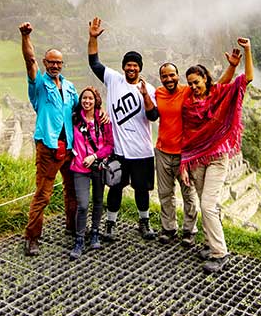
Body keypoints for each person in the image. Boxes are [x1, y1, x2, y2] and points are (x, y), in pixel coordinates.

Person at [155, 45, 243, 246]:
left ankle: (190, 231)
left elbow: (218, 88)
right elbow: (151, 112)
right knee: (166, 193)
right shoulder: (159, 93)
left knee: (191, 196)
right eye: (164, 76)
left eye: (172, 75)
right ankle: (169, 229)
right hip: (165, 150)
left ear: (177, 76)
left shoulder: (189, 91)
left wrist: (231, 67)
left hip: (189, 154)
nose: (168, 79)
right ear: (160, 78)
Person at [180, 37, 254, 274]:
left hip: (218, 157)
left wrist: (246, 51)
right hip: (196, 159)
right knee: (208, 205)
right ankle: (208, 243)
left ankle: (220, 253)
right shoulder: (188, 105)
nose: (193, 86)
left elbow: (246, 79)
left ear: (205, 79)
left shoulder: (217, 94)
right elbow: (187, 134)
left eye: (197, 81)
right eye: (190, 83)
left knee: (208, 205)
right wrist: (184, 163)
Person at [88, 16, 159, 241]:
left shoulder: (149, 89)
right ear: (123, 67)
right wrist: (92, 38)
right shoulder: (114, 80)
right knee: (115, 188)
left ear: (139, 68)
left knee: (141, 190)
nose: (131, 68)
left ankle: (144, 222)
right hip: (118, 151)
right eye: (128, 65)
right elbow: (94, 63)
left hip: (142, 151)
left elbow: (153, 116)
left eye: (135, 65)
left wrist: (145, 95)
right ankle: (110, 224)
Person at [19, 21, 78, 257]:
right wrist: (25, 37)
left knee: (72, 190)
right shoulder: (40, 85)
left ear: (62, 65)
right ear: (45, 63)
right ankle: (32, 237)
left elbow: (77, 112)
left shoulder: (70, 86)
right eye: (51, 62)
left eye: (58, 62)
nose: (55, 65)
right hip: (48, 146)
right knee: (43, 193)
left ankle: (73, 227)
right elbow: (29, 61)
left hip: (70, 146)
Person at [69, 86, 114, 260]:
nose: (87, 101)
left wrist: (94, 155)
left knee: (97, 201)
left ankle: (95, 232)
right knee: (82, 204)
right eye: (84, 98)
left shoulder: (103, 121)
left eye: (91, 99)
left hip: (98, 166)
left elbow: (110, 145)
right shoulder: (74, 118)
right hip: (80, 168)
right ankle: (79, 238)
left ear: (96, 102)